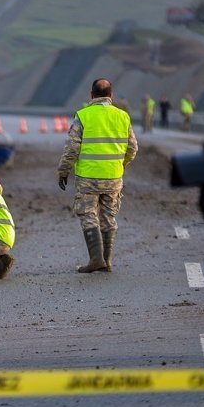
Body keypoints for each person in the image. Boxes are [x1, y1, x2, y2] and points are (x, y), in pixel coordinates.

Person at [58, 78, 138, 273]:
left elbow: (72, 148)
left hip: (88, 177)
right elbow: (133, 148)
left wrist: (63, 170)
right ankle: (107, 261)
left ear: (91, 95)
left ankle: (96, 260)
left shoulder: (84, 115)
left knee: (88, 215)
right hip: (114, 177)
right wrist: (121, 164)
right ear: (111, 95)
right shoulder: (123, 116)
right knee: (109, 216)